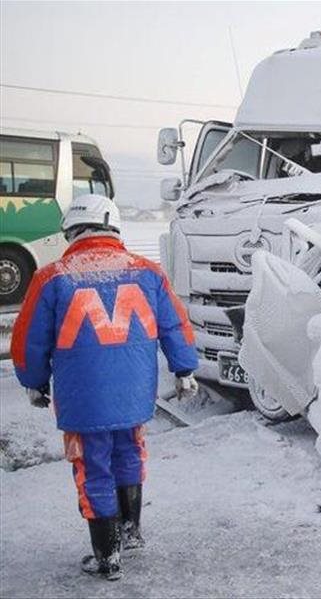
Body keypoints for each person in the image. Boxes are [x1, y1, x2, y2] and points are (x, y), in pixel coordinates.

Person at [10, 194, 199, 581]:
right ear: (111, 225)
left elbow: (29, 338)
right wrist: (184, 370)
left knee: (93, 467)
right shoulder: (147, 272)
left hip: (84, 400)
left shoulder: (52, 278)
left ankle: (107, 555)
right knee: (130, 451)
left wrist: (33, 382)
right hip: (133, 395)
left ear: (72, 231)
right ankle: (131, 532)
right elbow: (175, 325)